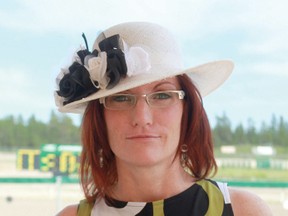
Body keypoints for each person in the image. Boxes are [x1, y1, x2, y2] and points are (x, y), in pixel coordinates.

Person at [55, 22, 272, 216]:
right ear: (99, 118)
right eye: (121, 98)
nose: (142, 117)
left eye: (162, 95)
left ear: (186, 111)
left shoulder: (245, 211)